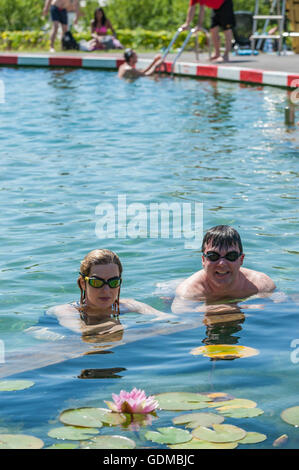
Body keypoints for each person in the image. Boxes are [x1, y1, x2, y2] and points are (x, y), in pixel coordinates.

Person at [49, 249, 174, 336]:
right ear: (83, 283)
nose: (106, 290)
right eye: (97, 282)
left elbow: (168, 318)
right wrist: (127, 325)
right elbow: (82, 330)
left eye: (113, 282)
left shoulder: (128, 305)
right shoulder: (66, 311)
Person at [172, 225, 276, 313]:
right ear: (203, 260)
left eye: (231, 256)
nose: (222, 263)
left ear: (241, 259)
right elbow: (181, 313)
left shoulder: (261, 284)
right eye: (213, 256)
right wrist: (242, 307)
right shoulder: (189, 291)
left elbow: (282, 305)